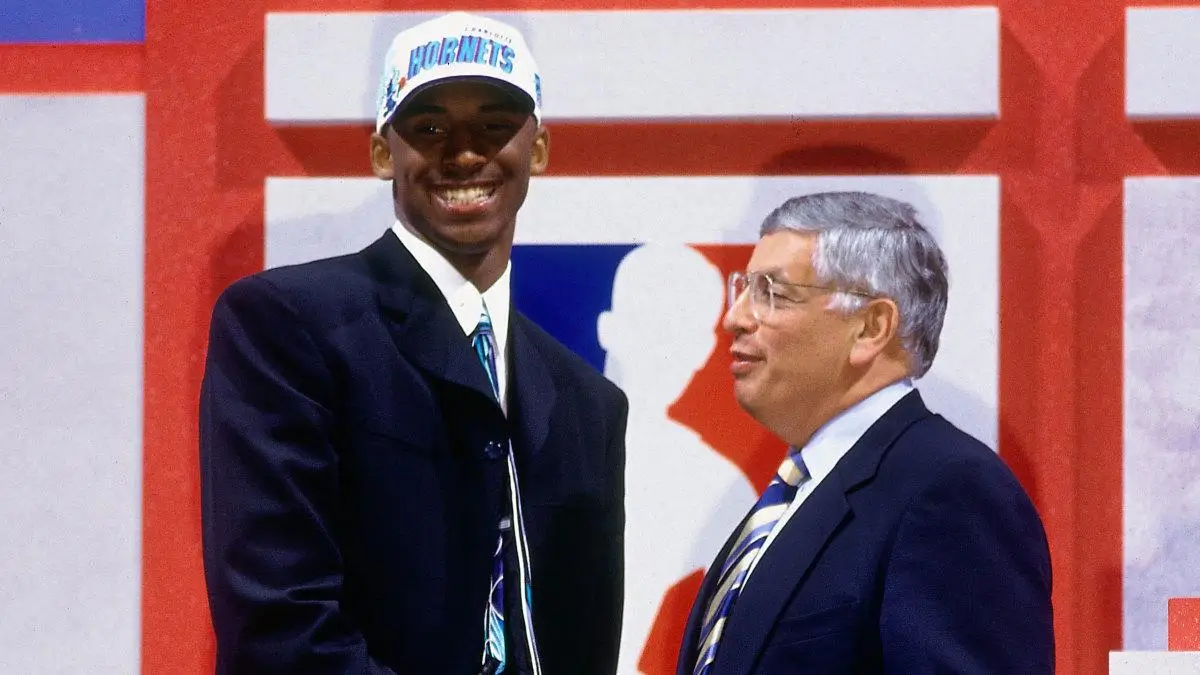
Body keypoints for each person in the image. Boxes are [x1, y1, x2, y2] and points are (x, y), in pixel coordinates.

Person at [199, 12, 628, 675]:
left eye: (494, 125)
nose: (463, 152)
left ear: (537, 149)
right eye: (428, 127)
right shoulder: (286, 326)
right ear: (380, 152)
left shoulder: (588, 401)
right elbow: (280, 629)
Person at [675, 191, 1054, 675]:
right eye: (743, 288)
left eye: (773, 293)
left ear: (871, 328)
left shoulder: (951, 491)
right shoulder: (797, 493)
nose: (735, 318)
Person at [596, 244, 756, 673]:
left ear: (705, 348)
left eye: (684, 332)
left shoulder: (717, 484)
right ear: (608, 329)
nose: (667, 350)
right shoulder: (523, 444)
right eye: (652, 325)